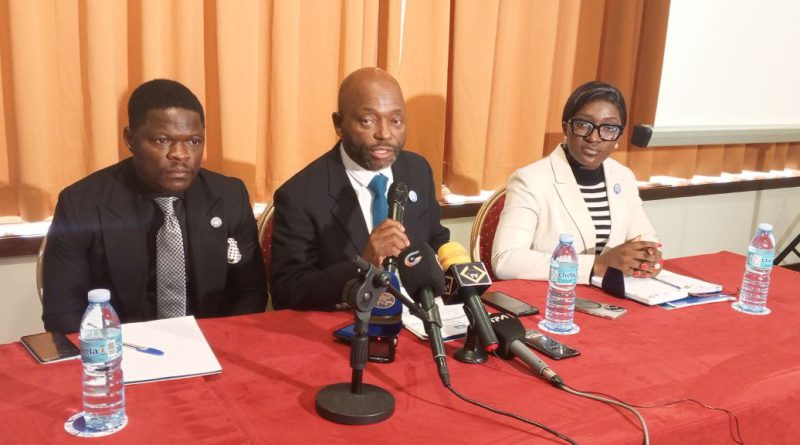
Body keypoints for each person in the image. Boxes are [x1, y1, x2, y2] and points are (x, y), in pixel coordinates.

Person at [42, 79, 267, 333]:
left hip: (212, 341)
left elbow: (251, 292)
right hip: (121, 346)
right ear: (130, 139)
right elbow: (62, 313)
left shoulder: (229, 195)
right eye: (162, 140)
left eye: (194, 141)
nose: (180, 154)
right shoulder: (82, 203)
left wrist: (220, 341)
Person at [270, 67, 450, 310]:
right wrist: (364, 263)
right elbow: (288, 291)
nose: (384, 134)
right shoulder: (300, 194)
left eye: (395, 121)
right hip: (348, 322)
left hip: (417, 317)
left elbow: (436, 239)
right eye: (368, 121)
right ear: (339, 124)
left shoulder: (417, 170)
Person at [492, 81, 661, 284]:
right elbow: (506, 260)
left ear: (618, 136)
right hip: (552, 294)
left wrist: (647, 257)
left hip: (611, 292)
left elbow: (645, 239)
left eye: (609, 128)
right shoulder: (530, 180)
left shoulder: (623, 177)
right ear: (566, 127)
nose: (594, 138)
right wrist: (596, 265)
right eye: (584, 125)